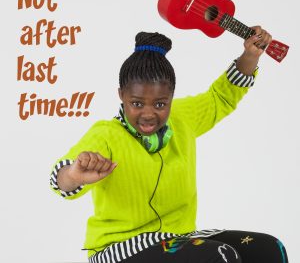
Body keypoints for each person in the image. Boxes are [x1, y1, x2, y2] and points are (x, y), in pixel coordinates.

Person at [50, 29, 289, 263]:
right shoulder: (106, 135)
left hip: (177, 240)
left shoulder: (182, 118)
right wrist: (74, 175)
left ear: (171, 99)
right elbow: (60, 179)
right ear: (121, 95)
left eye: (160, 105)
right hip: (120, 249)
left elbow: (220, 98)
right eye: (136, 103)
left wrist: (250, 56)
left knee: (267, 249)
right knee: (218, 256)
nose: (148, 114)